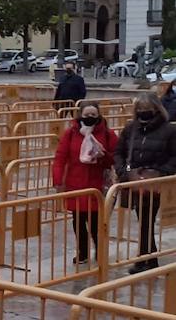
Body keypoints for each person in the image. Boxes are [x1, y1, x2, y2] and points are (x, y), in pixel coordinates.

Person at [115, 91, 176, 274]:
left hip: (156, 181)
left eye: (147, 109)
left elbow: (174, 157)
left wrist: (161, 172)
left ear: (157, 109)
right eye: (140, 109)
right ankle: (148, 257)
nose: (143, 112)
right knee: (143, 219)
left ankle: (146, 258)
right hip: (134, 181)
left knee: (146, 219)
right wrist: (123, 172)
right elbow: (119, 152)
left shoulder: (170, 130)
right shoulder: (130, 129)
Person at [52, 102, 117, 265]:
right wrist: (58, 180)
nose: (89, 118)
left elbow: (116, 158)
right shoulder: (71, 133)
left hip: (98, 183)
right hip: (75, 182)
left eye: (93, 115)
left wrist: (103, 155)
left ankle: (100, 250)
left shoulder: (108, 134)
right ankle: (82, 252)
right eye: (86, 115)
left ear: (99, 116)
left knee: (96, 221)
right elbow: (60, 157)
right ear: (80, 115)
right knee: (78, 220)